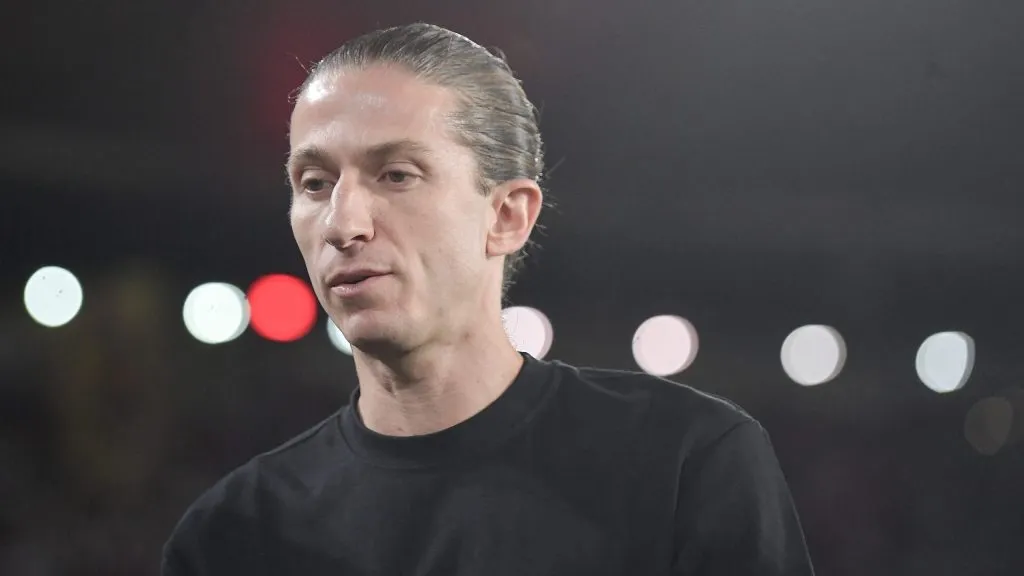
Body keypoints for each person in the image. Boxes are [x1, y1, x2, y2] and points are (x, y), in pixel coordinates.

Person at [162, 22, 814, 575]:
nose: (342, 223)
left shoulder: (687, 464)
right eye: (313, 182)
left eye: (396, 174)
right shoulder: (231, 537)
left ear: (506, 215)